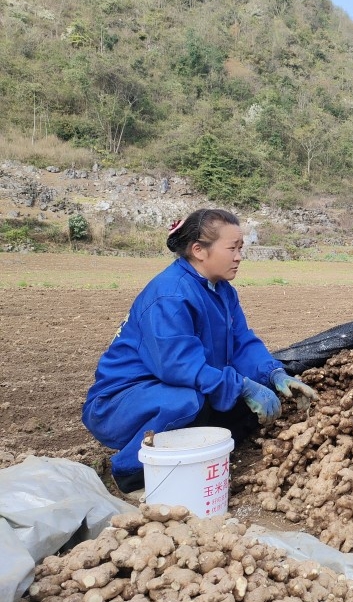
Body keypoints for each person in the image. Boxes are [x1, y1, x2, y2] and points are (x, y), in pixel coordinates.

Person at [82, 208, 316, 493]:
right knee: (189, 400)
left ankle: (204, 458)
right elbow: (179, 366)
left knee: (239, 398)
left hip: (167, 387)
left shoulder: (222, 290)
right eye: (232, 248)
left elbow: (243, 343)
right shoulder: (170, 294)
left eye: (241, 248)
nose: (239, 256)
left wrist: (275, 373)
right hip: (121, 401)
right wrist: (242, 386)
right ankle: (129, 473)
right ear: (198, 250)